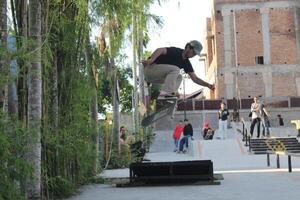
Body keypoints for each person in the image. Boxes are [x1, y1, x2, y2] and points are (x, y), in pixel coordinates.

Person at [141, 40, 215, 99]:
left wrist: (208, 85)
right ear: (188, 47)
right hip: (149, 69)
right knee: (176, 70)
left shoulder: (186, 63)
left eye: (195, 54)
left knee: (179, 77)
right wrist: (151, 60)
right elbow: (160, 50)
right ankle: (165, 95)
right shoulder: (176, 52)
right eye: (193, 52)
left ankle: (168, 97)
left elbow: (195, 79)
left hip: (153, 79)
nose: (193, 55)